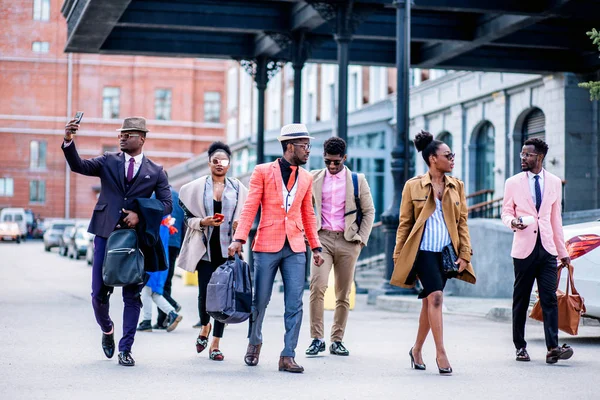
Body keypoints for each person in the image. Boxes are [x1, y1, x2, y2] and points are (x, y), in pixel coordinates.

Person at [62, 116, 172, 367]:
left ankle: (126, 349)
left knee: (132, 296)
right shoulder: (108, 161)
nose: (122, 137)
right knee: (99, 293)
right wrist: (69, 140)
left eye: (128, 134)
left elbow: (167, 205)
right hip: (105, 233)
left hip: (136, 240)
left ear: (142, 138)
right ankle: (108, 329)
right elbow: (79, 165)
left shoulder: (156, 171)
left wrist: (140, 215)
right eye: (121, 134)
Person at [228, 123, 325, 373]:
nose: (308, 151)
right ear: (289, 146)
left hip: (295, 246)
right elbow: (250, 207)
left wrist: (315, 246)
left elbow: (308, 214)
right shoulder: (262, 171)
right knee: (260, 300)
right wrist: (239, 239)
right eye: (304, 146)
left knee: (295, 302)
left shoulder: (306, 177)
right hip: (266, 244)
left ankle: (287, 354)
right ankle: (254, 342)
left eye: (308, 146)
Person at [391, 130, 476, 375]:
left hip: (446, 254)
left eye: (452, 155)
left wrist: (465, 254)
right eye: (448, 155)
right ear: (432, 159)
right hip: (423, 252)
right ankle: (441, 353)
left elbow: (462, 223)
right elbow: (404, 224)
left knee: (430, 301)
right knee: (436, 297)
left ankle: (416, 349)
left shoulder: (456, 186)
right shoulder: (413, 186)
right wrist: (399, 257)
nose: (452, 159)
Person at [501, 138, 573, 364]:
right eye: (522, 154)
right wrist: (513, 222)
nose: (522, 158)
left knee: (550, 299)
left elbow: (555, 219)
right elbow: (505, 212)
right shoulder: (512, 182)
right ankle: (520, 347)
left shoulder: (553, 182)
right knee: (521, 299)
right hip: (524, 249)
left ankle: (552, 347)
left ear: (539, 157)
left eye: (527, 155)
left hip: (548, 250)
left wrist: (563, 253)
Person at [176, 142, 248, 361]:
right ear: (209, 163)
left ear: (229, 164)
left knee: (224, 297)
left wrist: (239, 226)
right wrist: (202, 221)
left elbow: (247, 216)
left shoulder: (238, 188)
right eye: (215, 160)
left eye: (224, 161)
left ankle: (215, 343)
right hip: (205, 250)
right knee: (205, 294)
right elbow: (187, 218)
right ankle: (205, 327)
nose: (219, 164)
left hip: (228, 251)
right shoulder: (196, 187)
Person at [305, 137, 375, 357]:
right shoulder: (313, 177)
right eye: (328, 161)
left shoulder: (357, 180)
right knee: (317, 286)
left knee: (343, 293)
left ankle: (337, 340)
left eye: (336, 162)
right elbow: (305, 208)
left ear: (344, 158)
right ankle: (317, 338)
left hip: (348, 242)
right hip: (321, 239)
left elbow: (369, 211)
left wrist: (361, 240)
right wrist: (309, 237)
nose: (332, 166)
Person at [137, 219, 183, 333]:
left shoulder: (158, 223)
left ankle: (147, 321)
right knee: (154, 293)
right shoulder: (166, 224)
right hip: (160, 262)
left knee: (146, 291)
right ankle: (172, 312)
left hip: (153, 262)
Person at [154, 173, 184, 330]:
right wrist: (180, 245)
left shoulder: (154, 196)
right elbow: (184, 223)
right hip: (174, 244)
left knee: (152, 282)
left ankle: (171, 307)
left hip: (158, 244)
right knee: (167, 281)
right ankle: (162, 319)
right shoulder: (178, 197)